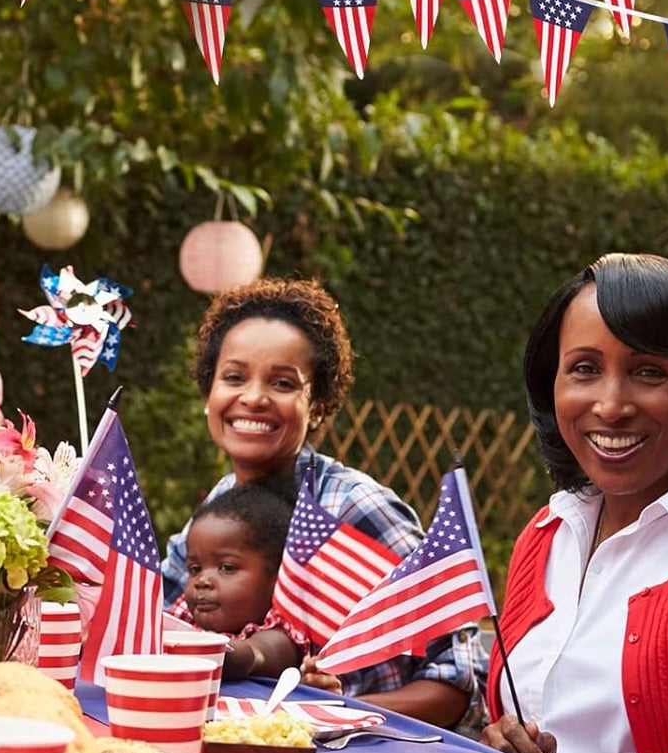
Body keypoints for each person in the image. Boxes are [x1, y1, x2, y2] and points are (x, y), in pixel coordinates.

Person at [162, 278, 486, 725]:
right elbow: (157, 616)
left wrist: (321, 711)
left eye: (282, 383)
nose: (253, 397)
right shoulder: (220, 505)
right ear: (208, 393)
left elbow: (457, 685)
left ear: (318, 404)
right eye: (234, 377)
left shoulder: (357, 507)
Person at [482, 253, 668, 753]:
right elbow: (520, 715)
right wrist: (510, 745)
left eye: (649, 372)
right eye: (584, 368)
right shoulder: (548, 531)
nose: (610, 406)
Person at [181, 483, 297, 677]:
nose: (202, 580)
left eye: (227, 568)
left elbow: (254, 654)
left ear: (276, 580)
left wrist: (212, 651)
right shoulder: (186, 615)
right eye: (195, 569)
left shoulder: (279, 633)